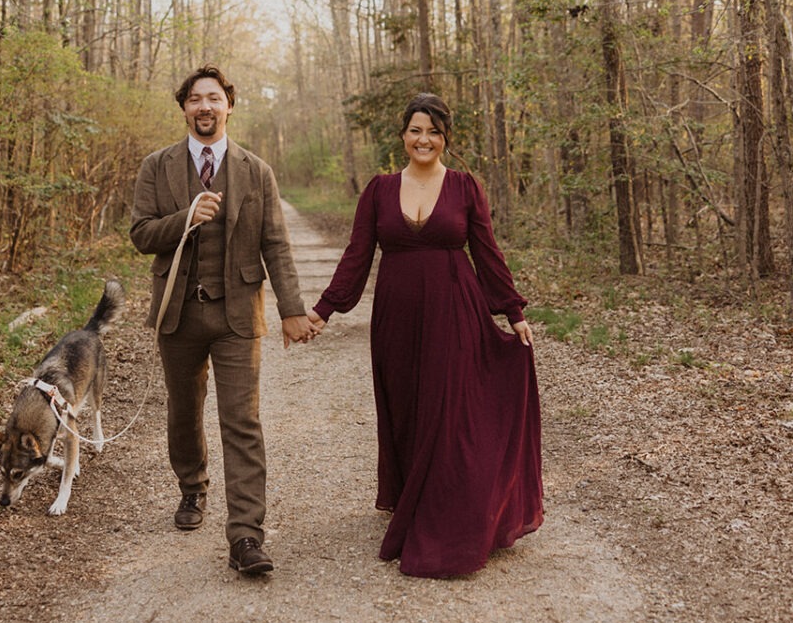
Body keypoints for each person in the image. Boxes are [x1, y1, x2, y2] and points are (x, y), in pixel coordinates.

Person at [308, 93, 543, 578]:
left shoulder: (464, 187)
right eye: (416, 130)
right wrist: (324, 309)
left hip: (455, 313)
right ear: (402, 136)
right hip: (394, 316)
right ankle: (410, 499)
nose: (424, 139)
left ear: (445, 138)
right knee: (406, 408)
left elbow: (487, 252)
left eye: (434, 131)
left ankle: (447, 510)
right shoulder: (378, 190)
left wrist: (513, 311)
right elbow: (357, 256)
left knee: (447, 408)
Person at [131, 65, 318, 576]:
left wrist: (292, 309)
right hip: (179, 314)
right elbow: (141, 234)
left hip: (238, 314)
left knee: (242, 422)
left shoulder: (256, 170)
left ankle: (246, 536)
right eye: (195, 99)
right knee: (184, 414)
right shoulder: (157, 166)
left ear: (229, 105)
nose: (205, 107)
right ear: (185, 108)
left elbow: (276, 244)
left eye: (214, 98)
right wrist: (185, 218)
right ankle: (192, 489)